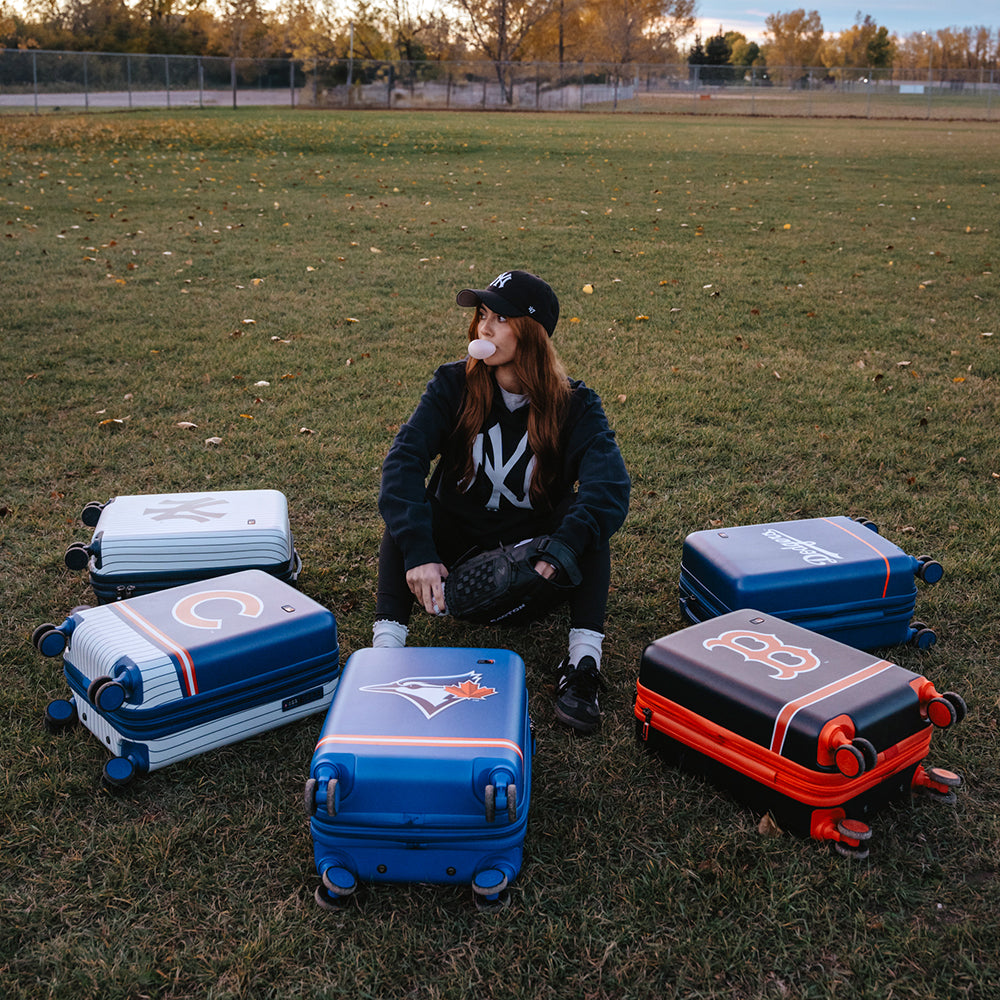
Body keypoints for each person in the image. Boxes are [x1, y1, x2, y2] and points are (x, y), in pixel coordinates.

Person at [373, 269, 630, 734]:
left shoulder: (576, 405)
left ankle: (584, 665)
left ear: (530, 334)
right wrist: (421, 553)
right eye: (482, 315)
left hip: (531, 564)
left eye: (499, 318)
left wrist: (562, 548)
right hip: (452, 559)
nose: (483, 329)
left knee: (586, 520)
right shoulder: (452, 384)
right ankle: (385, 651)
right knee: (408, 503)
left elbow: (609, 487)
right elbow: (403, 461)